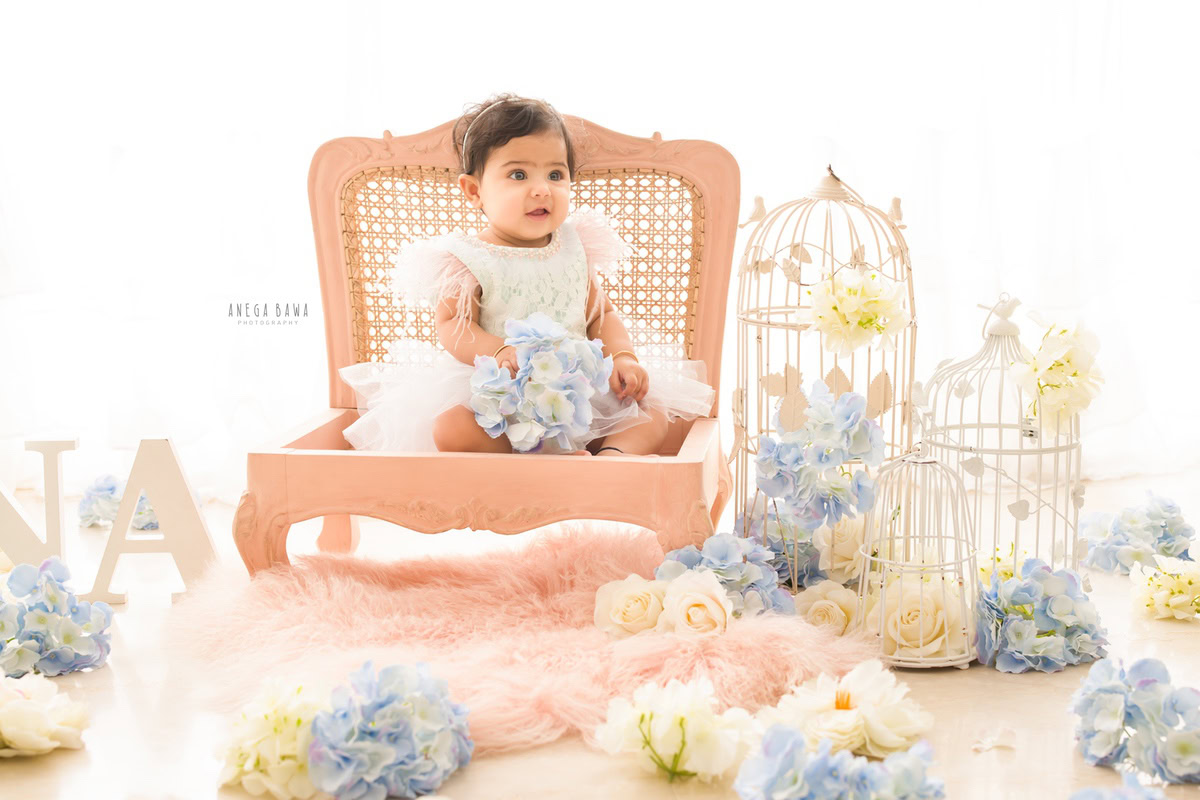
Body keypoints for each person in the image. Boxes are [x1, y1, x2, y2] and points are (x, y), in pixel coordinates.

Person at [339, 92, 714, 455]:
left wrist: (623, 357)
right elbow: (452, 324)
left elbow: (602, 315)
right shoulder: (468, 258)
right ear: (474, 191)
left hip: (581, 395)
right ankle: (541, 453)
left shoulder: (574, 246)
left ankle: (612, 458)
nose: (541, 190)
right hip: (504, 398)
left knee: (653, 414)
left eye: (555, 174)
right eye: (518, 174)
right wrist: (496, 350)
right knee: (450, 427)